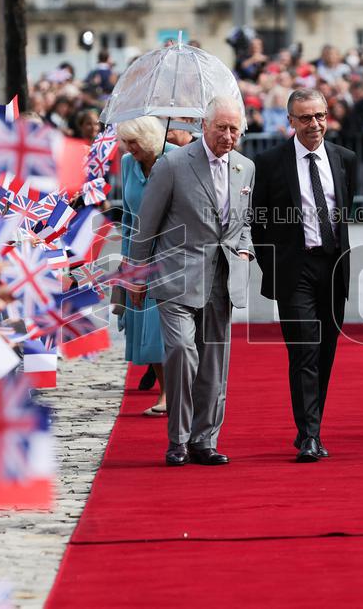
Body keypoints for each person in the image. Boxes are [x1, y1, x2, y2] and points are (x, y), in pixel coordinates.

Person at [128, 97, 255, 467]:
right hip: (176, 277)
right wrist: (135, 277)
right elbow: (146, 226)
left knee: (215, 363)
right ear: (205, 126)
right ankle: (178, 440)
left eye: (235, 129)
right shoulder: (173, 164)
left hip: (223, 277)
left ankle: (204, 439)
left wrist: (245, 250)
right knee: (183, 352)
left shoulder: (245, 168)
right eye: (222, 128)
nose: (229, 136)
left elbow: (244, 222)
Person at [251, 88, 357, 462]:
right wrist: (273, 267)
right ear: (290, 122)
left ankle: (313, 427)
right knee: (303, 351)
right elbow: (258, 221)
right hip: (294, 270)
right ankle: (309, 435)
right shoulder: (269, 163)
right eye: (306, 118)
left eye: (320, 116)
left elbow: (346, 210)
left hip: (333, 268)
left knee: (325, 352)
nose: (315, 125)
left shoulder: (345, 159)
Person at [117, 117, 171, 417]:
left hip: (172, 252)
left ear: (150, 138)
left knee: (164, 326)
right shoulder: (128, 163)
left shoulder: (175, 158)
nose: (129, 147)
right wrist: (126, 260)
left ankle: (173, 391)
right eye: (125, 142)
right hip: (138, 255)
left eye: (134, 141)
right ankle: (166, 388)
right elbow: (127, 214)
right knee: (144, 326)